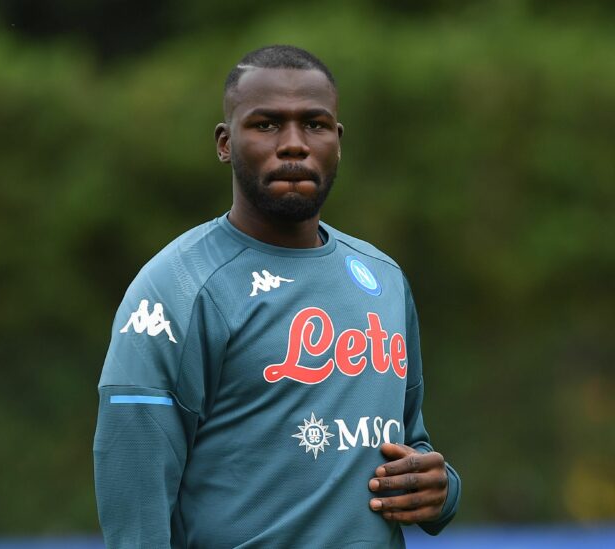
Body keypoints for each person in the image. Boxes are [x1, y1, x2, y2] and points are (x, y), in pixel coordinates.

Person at [93, 45, 461, 548]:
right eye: (266, 124)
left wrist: (441, 491)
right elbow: (133, 490)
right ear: (225, 142)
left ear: (338, 139)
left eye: (314, 124)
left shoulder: (384, 278)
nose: (293, 144)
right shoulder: (177, 286)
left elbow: (411, 442)